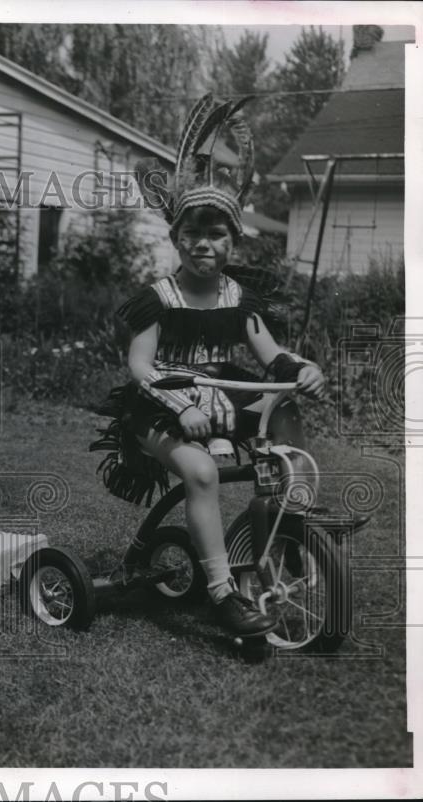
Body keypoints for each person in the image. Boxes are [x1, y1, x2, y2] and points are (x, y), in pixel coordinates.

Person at [92, 95, 326, 637]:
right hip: (162, 404)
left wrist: (304, 367)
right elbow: (141, 367)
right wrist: (181, 405)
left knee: (285, 405)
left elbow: (273, 357)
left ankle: (287, 517)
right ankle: (222, 594)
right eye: (192, 234)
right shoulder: (158, 298)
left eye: (216, 234)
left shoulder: (238, 298)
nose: (203, 244)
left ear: (232, 240)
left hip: (221, 393)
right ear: (175, 238)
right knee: (200, 471)